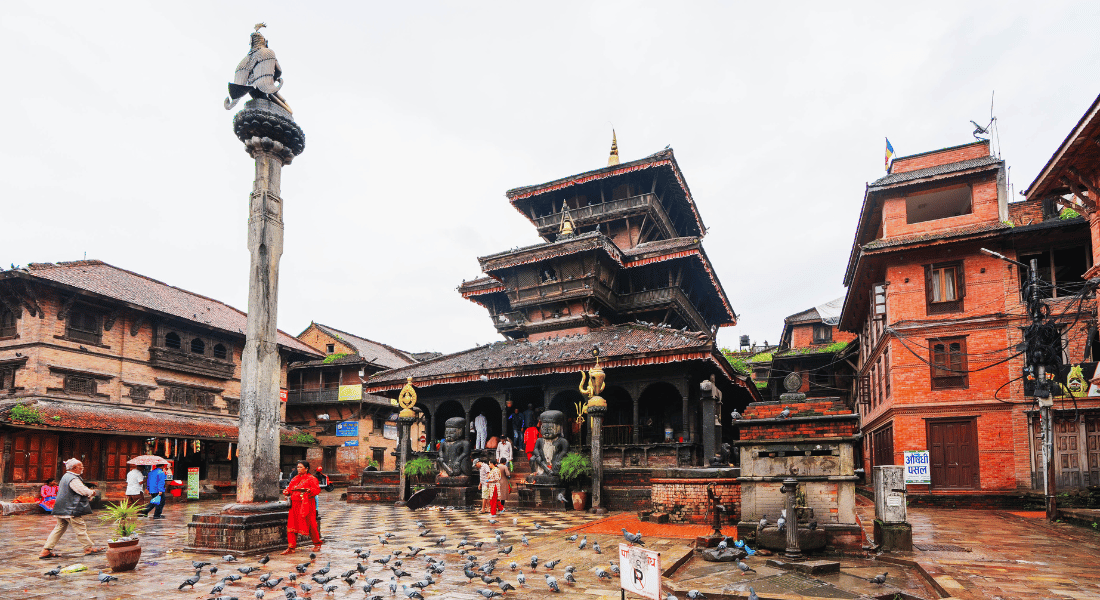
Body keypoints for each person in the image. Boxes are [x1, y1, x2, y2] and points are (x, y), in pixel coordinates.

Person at [39, 459, 102, 558]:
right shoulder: (73, 478)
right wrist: (92, 492)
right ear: (75, 468)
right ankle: (88, 548)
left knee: (59, 528)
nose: (82, 468)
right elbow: (82, 491)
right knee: (80, 528)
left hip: (61, 508)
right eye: (81, 467)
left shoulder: (66, 477)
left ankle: (45, 550)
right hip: (70, 508)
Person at [282, 460, 322, 554]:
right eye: (298, 467)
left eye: (301, 467)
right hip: (295, 505)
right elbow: (290, 488)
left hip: (307, 504)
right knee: (292, 525)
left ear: (306, 469)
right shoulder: (295, 478)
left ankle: (317, 544)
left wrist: (309, 491)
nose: (298, 469)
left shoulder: (311, 479)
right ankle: (291, 547)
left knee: (311, 524)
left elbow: (317, 490)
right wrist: (287, 491)